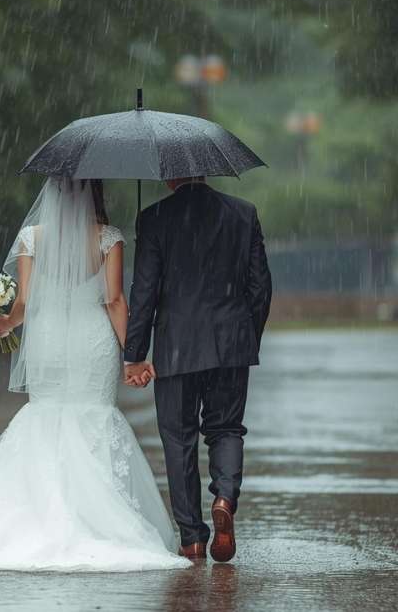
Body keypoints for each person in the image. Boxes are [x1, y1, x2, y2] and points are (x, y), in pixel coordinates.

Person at [0, 177, 190, 572]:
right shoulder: (108, 238)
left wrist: (6, 323)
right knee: (93, 416)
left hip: (47, 340)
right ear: (94, 192)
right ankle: (92, 519)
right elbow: (115, 301)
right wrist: (133, 358)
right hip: (91, 341)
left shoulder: (31, 238)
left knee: (45, 416)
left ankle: (37, 517)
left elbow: (24, 302)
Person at [124, 177, 272, 563]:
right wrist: (246, 336)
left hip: (176, 345)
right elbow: (260, 287)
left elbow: (144, 291)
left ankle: (191, 538)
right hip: (231, 343)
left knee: (179, 439)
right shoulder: (243, 213)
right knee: (226, 429)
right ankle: (225, 497)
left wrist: (134, 353)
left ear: (169, 175)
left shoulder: (154, 217)